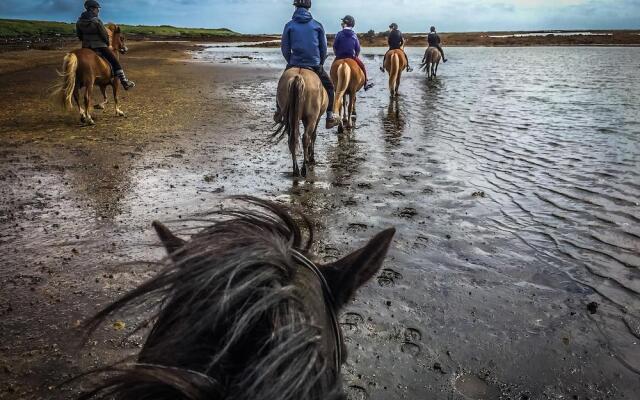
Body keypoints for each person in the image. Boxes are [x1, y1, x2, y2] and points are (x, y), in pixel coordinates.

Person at [276, 0, 339, 129]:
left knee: (281, 84)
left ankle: (279, 112)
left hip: (294, 63)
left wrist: (291, 61)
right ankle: (329, 116)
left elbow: (285, 48)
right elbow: (324, 48)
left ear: (295, 7)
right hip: (314, 64)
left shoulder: (289, 25)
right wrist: (320, 62)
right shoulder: (317, 25)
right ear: (309, 7)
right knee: (330, 87)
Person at [76, 0, 135, 90]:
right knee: (115, 62)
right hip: (99, 46)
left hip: (86, 46)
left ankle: (79, 81)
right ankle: (124, 81)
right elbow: (104, 35)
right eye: (97, 8)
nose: (98, 10)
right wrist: (107, 44)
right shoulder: (97, 21)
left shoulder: (79, 21)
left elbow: (79, 36)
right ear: (92, 9)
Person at [333, 15, 374, 91]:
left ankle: (333, 83)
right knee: (362, 66)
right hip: (352, 57)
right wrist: (356, 57)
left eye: (343, 22)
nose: (342, 23)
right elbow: (358, 48)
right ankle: (365, 84)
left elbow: (335, 46)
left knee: (333, 68)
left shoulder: (339, 34)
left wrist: (337, 55)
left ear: (345, 23)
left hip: (339, 56)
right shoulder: (354, 35)